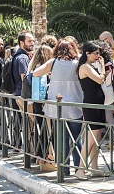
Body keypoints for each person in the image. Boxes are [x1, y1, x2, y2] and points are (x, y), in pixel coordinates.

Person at [33, 39, 84, 176]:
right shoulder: (78, 62)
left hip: (57, 106)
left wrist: (50, 75)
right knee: (76, 138)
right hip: (75, 104)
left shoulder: (53, 62)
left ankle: (63, 168)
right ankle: (79, 168)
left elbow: (35, 73)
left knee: (62, 139)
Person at [75, 41, 109, 180]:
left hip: (97, 103)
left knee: (97, 137)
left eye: (99, 53)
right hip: (91, 104)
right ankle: (80, 169)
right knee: (91, 138)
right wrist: (102, 68)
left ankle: (94, 168)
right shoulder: (85, 67)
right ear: (87, 53)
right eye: (95, 53)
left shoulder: (90, 66)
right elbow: (100, 80)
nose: (98, 56)